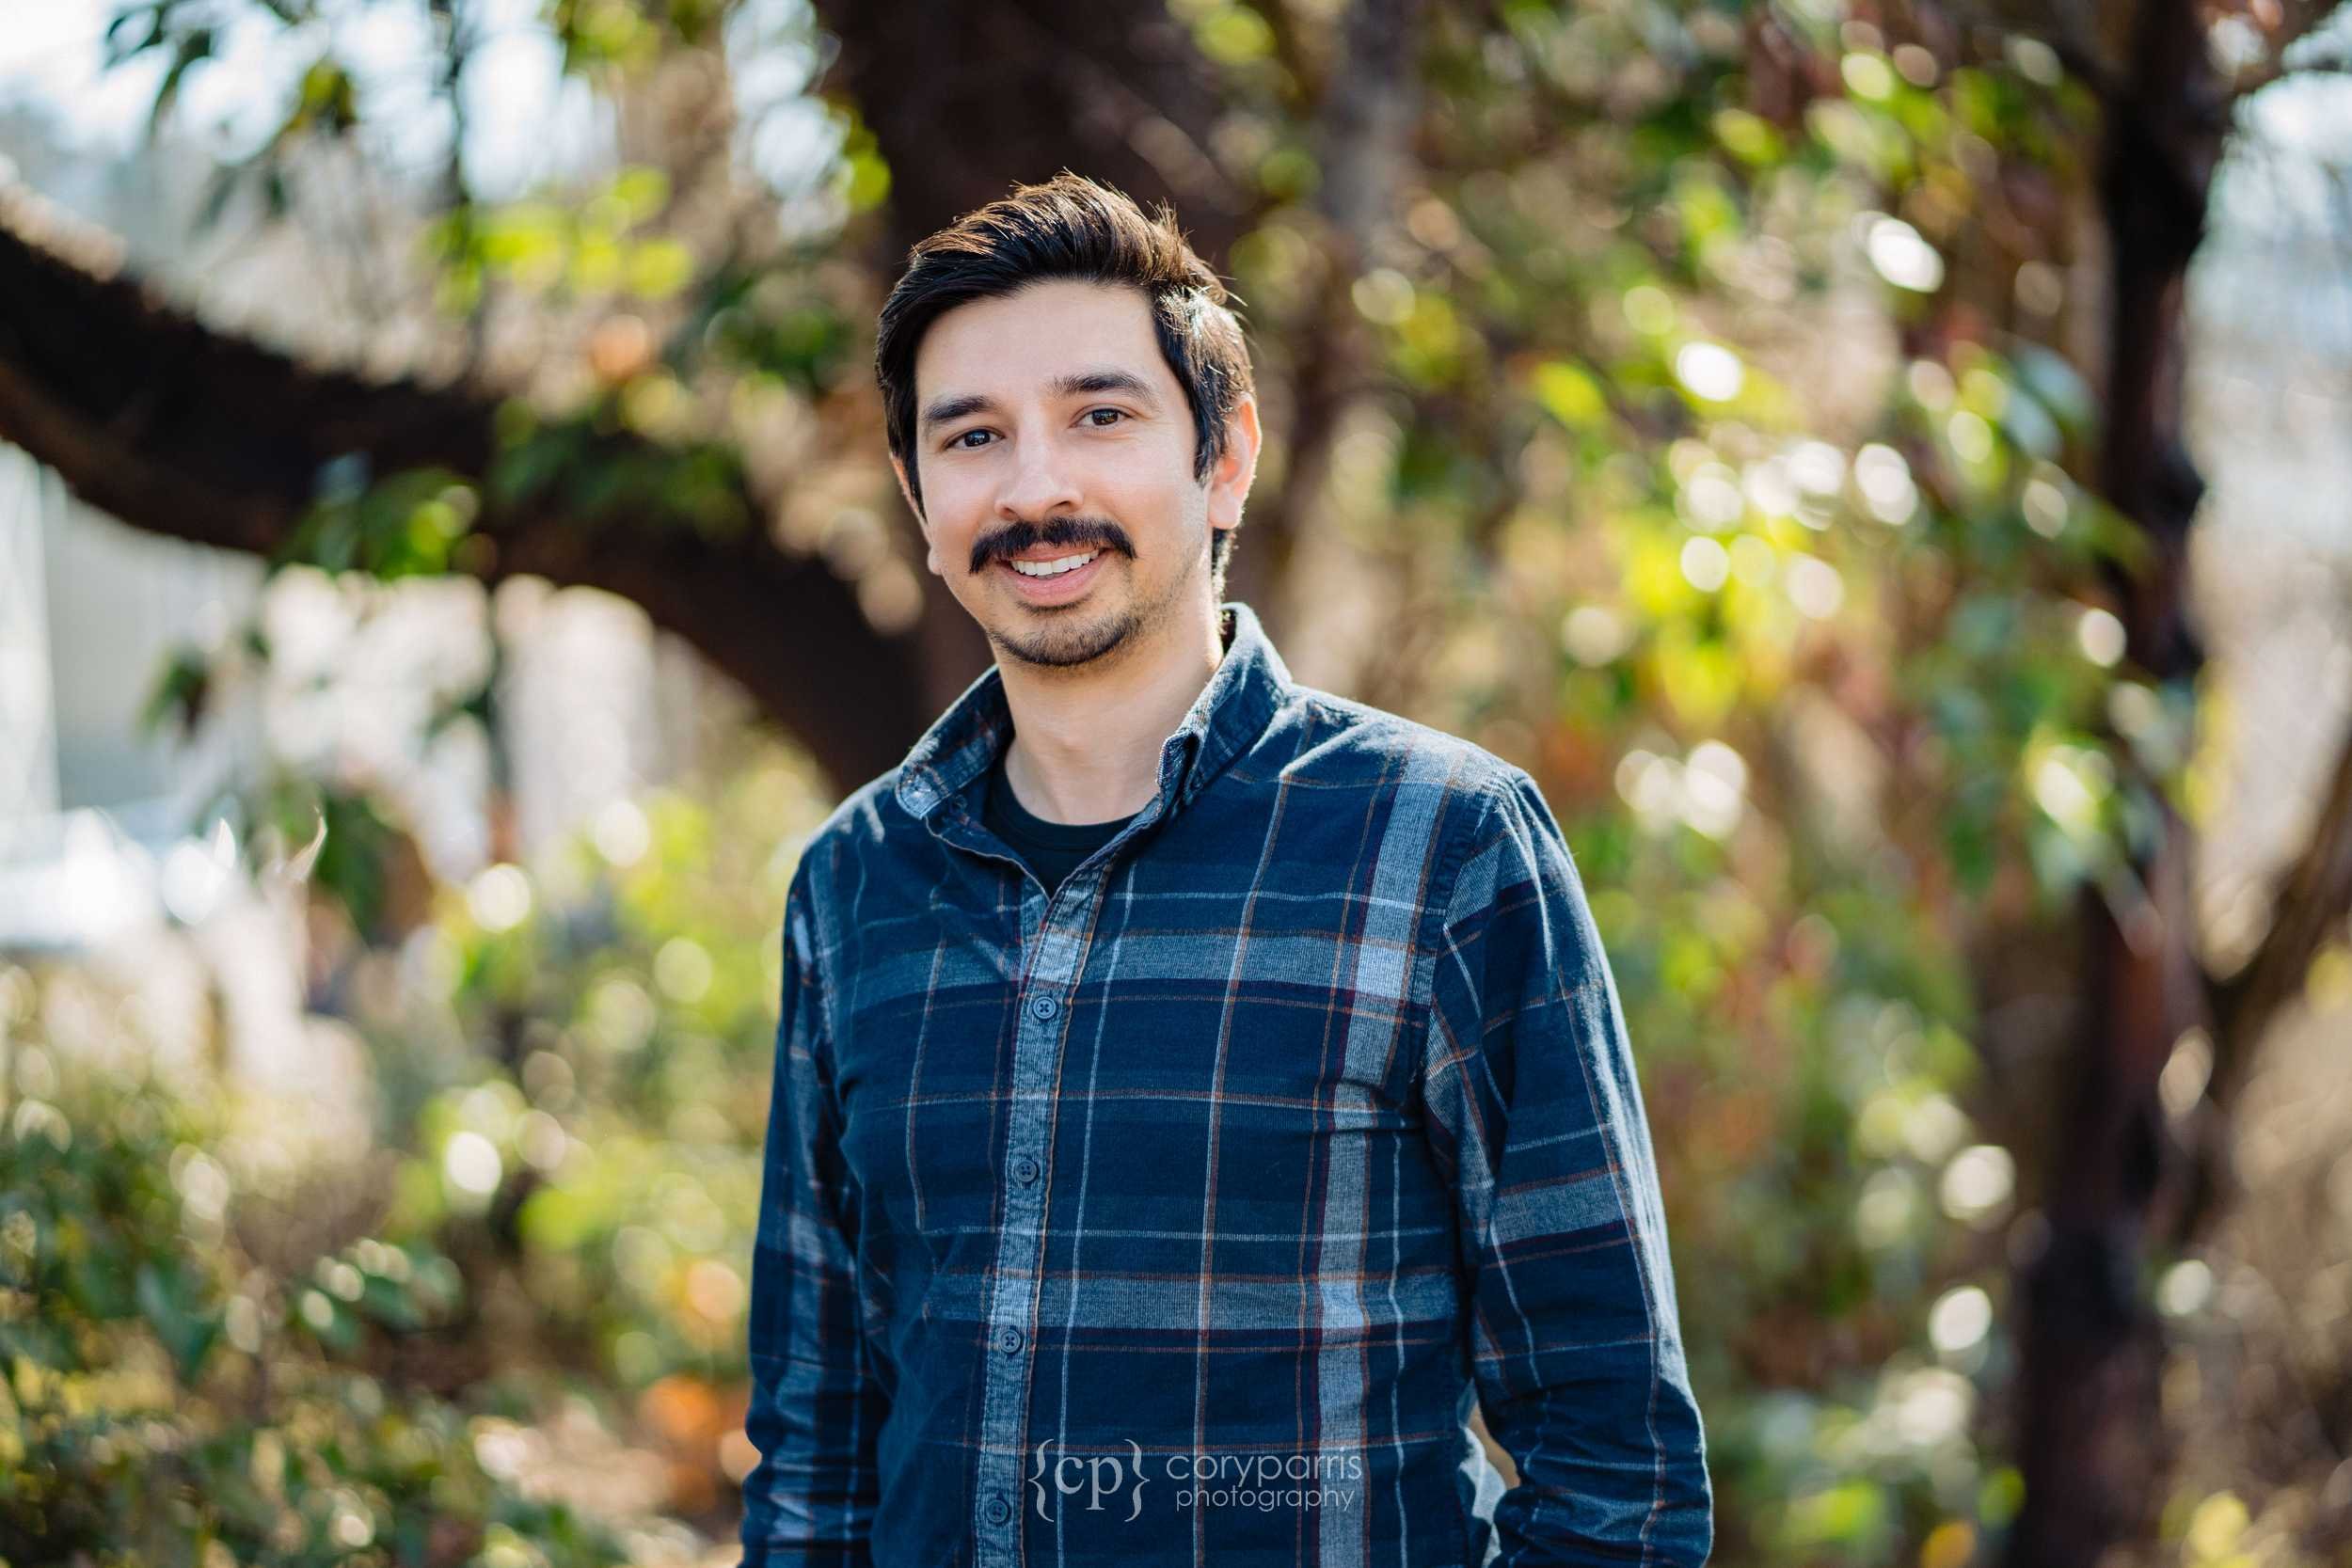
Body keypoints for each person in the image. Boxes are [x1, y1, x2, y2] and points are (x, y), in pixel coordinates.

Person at [735, 171, 1711, 1567]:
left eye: (1101, 416)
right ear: (918, 495)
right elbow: (815, 1448)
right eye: (973, 438)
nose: (1036, 487)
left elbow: (1617, 1459)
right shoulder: (853, 889)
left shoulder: (1442, 845)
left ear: (1226, 455)